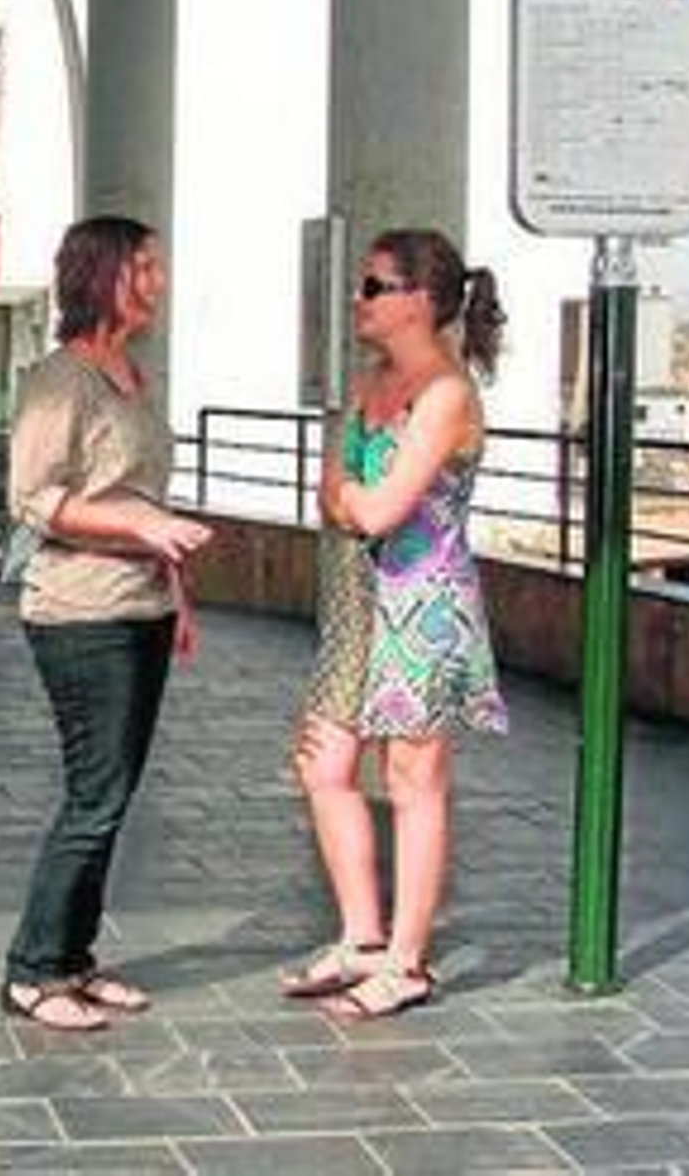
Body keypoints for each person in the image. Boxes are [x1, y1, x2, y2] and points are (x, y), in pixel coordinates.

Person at [282, 227, 509, 1020]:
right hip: (356, 600)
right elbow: (333, 496)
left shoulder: (446, 395)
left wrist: (352, 500)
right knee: (324, 765)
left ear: (420, 300)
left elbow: (372, 506)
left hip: (423, 606)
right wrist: (351, 501)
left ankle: (408, 962)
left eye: (374, 287)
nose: (359, 299)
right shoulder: (368, 383)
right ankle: (362, 937)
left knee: (413, 780)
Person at [0, 214, 214, 1032]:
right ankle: (31, 971)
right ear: (102, 276)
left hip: (144, 606)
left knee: (112, 797)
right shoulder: (61, 379)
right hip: (79, 612)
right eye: (144, 267)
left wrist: (176, 592)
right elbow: (35, 499)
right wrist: (138, 531)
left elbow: (145, 499)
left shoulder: (134, 375)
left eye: (158, 267)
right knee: (94, 796)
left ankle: (73, 960)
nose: (157, 282)